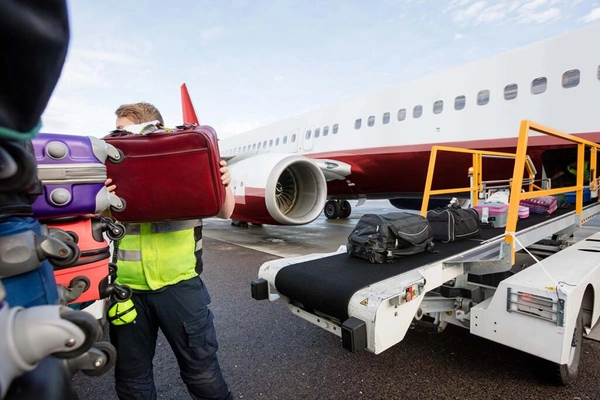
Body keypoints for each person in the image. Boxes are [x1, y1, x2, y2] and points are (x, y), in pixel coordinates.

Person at [109, 102, 235, 400]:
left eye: (124, 131)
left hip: (180, 285)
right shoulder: (113, 167)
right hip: (127, 291)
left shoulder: (186, 162)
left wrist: (222, 182)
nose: (119, 138)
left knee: (201, 372)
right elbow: (101, 220)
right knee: (131, 377)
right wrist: (103, 195)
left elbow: (227, 211)